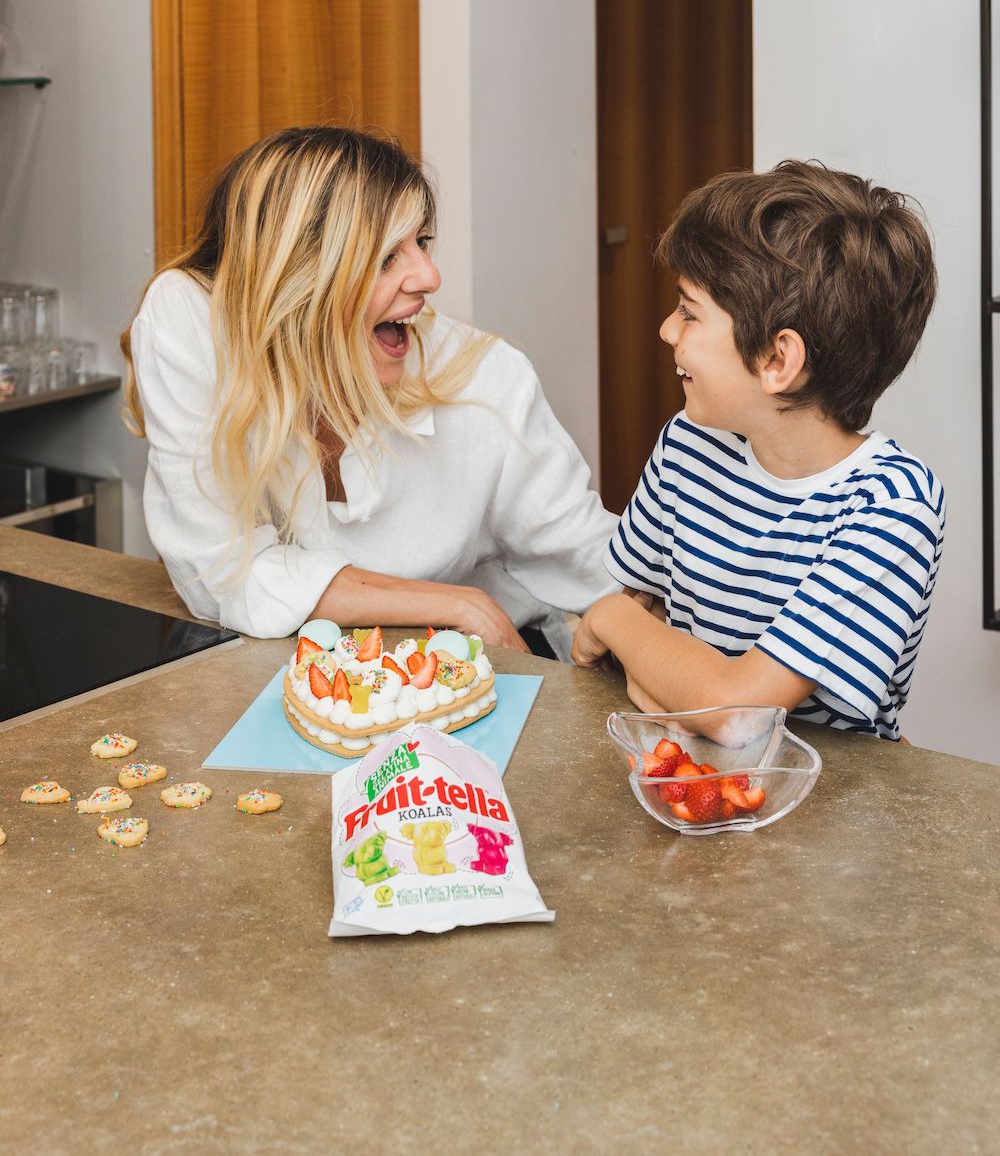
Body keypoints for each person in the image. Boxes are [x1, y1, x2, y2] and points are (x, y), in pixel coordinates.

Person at [121, 125, 617, 654]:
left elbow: (588, 554)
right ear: (298, 278)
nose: (429, 277)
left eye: (421, 242)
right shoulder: (193, 322)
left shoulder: (487, 376)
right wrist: (457, 604)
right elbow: (218, 571)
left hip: (478, 662)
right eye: (385, 257)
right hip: (310, 671)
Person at [572, 160, 944, 741]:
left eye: (689, 312)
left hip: (824, 791)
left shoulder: (893, 505)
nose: (667, 330)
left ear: (777, 360)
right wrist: (653, 659)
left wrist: (609, 618)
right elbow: (638, 621)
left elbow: (735, 713)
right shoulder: (688, 444)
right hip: (685, 771)